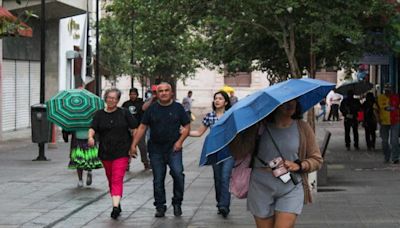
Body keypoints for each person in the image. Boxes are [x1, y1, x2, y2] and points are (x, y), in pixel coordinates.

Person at [231, 99, 322, 228]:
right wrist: (238, 131)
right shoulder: (258, 127)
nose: (290, 105)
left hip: (290, 185)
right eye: (285, 102)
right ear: (274, 106)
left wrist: (300, 165)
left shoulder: (302, 127)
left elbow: (317, 160)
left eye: (293, 101)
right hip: (260, 185)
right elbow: (239, 152)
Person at [131, 82, 191, 218]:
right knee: (158, 179)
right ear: (156, 94)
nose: (163, 93)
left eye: (166, 90)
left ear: (171, 93)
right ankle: (160, 206)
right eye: (160, 91)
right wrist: (133, 144)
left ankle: (177, 202)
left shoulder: (178, 108)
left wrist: (180, 142)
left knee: (178, 174)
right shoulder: (151, 109)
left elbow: (187, 126)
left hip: (174, 148)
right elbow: (142, 127)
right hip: (156, 149)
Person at [88, 88, 138, 219]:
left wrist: (133, 145)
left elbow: (134, 129)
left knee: (117, 178)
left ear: (118, 100)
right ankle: (117, 202)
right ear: (105, 98)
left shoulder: (124, 113)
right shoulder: (99, 114)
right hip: (105, 152)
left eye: (114, 98)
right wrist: (90, 137)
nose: (111, 100)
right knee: (111, 178)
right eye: (109, 97)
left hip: (122, 151)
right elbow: (93, 128)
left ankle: (115, 207)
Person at [189, 91, 234, 218]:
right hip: (215, 152)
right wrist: (184, 132)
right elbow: (199, 132)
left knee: (225, 178)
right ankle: (220, 202)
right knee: (218, 178)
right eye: (215, 98)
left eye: (220, 98)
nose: (217, 101)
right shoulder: (210, 116)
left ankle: (224, 205)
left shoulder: (230, 116)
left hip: (229, 152)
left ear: (225, 102)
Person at [122, 88, 150, 170]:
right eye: (131, 94)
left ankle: (145, 162)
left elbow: (144, 116)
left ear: (137, 95)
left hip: (139, 128)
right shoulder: (126, 104)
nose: (132, 96)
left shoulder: (141, 104)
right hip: (128, 129)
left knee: (142, 146)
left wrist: (140, 128)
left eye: (134, 94)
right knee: (127, 146)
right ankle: (126, 163)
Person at [374, 83, 400, 164]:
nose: (387, 92)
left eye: (389, 90)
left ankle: (395, 157)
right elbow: (375, 109)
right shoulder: (380, 98)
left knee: (394, 140)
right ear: (384, 90)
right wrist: (378, 119)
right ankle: (387, 156)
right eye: (386, 90)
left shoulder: (396, 98)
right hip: (383, 122)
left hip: (395, 121)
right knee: (384, 141)